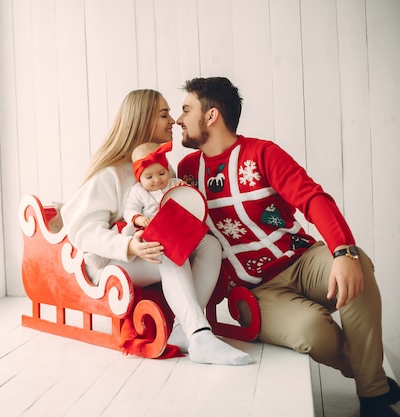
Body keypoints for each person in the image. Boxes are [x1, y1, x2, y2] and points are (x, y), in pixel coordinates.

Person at [176, 76, 400, 416]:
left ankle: (372, 395)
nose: (179, 119)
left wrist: (343, 251)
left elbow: (312, 198)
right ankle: (371, 374)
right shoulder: (186, 172)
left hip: (302, 259)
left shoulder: (263, 153)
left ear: (211, 116)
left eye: (186, 110)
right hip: (254, 291)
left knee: (358, 265)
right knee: (312, 331)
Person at [60, 89, 251, 365]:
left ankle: (182, 330)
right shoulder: (110, 173)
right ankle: (199, 335)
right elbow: (84, 233)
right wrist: (129, 245)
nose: (173, 121)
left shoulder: (163, 171)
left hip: (146, 250)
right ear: (143, 120)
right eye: (164, 114)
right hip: (107, 263)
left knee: (209, 244)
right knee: (166, 248)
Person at [83, 140, 184, 269]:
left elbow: (189, 199)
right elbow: (130, 209)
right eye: (149, 177)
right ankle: (100, 256)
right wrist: (138, 218)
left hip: (168, 229)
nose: (157, 179)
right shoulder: (138, 190)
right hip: (144, 227)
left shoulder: (174, 184)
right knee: (122, 230)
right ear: (139, 178)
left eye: (162, 173)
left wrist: (182, 188)